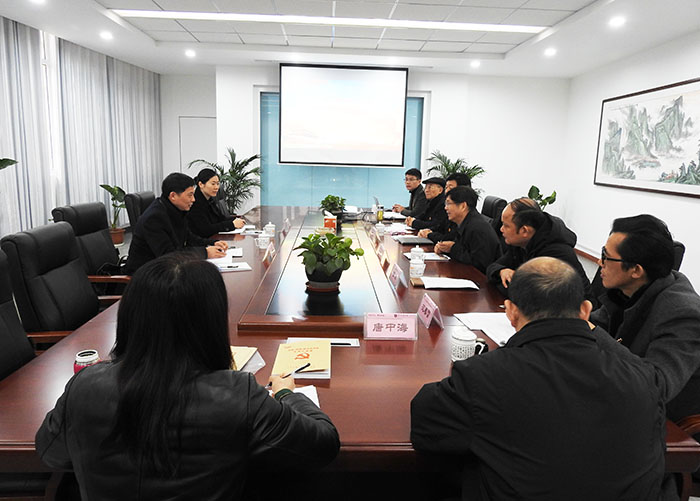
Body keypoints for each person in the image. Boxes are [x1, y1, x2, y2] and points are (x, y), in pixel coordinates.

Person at [36, 254, 340, 500]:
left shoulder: (85, 385)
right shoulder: (237, 393)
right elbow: (323, 443)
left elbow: (50, 452)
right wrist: (286, 393)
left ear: (131, 317)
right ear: (211, 320)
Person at [411, 257, 665, 500]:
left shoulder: (484, 376)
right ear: (586, 311)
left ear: (511, 312)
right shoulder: (643, 378)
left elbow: (425, 426)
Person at [590, 215, 700, 423]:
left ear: (636, 270)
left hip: (666, 421)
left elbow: (658, 385)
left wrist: (589, 330)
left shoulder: (684, 313)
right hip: (624, 397)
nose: (599, 262)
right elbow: (597, 324)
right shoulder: (630, 290)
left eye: (606, 257)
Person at [124, 172, 228, 274]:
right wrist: (205, 253)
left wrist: (212, 243)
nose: (193, 199)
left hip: (166, 269)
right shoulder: (154, 218)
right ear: (173, 196)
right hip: (147, 275)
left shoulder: (177, 210)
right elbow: (168, 255)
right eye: (190, 195)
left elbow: (189, 238)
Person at [485, 197, 590, 296]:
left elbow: (527, 295)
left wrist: (508, 282)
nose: (501, 229)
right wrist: (502, 271)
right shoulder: (521, 243)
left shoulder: (554, 255)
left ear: (524, 231)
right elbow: (492, 267)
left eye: (506, 226)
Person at [422, 186, 501, 273]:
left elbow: (480, 264)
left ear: (463, 206)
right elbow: (463, 250)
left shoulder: (477, 228)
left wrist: (452, 248)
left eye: (448, 203)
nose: (445, 208)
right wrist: (445, 248)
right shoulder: (464, 222)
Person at [188, 168, 245, 238]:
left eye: (218, 184)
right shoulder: (195, 202)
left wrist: (237, 220)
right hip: (202, 241)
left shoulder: (209, 199)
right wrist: (232, 225)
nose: (216, 187)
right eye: (213, 184)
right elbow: (205, 230)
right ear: (201, 184)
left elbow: (220, 218)